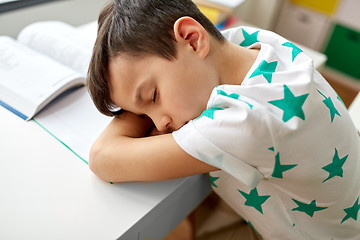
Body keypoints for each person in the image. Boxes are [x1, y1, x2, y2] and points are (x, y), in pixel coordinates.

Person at [86, 0, 360, 239]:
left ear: (193, 39)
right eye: (144, 114)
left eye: (153, 95)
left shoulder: (248, 122)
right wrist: (138, 99)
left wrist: (132, 106)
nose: (159, 124)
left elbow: (103, 158)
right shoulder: (251, 42)